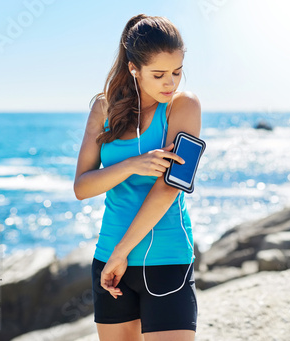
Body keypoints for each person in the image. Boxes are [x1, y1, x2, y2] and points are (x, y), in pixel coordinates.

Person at [73, 13, 201, 341]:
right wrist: (132, 164)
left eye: (177, 72)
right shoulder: (104, 109)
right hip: (108, 257)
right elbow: (82, 187)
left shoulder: (183, 106)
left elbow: (170, 188)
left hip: (166, 259)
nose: (170, 83)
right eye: (159, 75)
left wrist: (121, 253)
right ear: (134, 68)